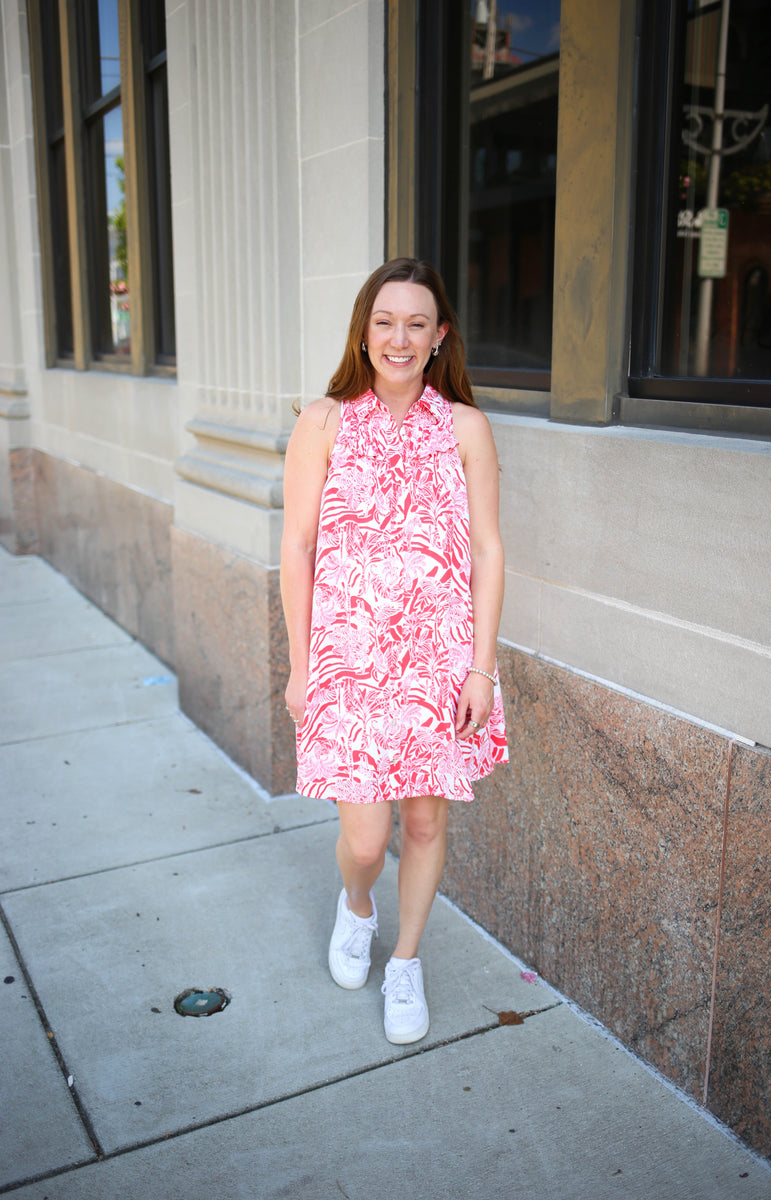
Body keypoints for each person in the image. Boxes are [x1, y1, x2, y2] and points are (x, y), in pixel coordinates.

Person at [280, 257, 508, 1045]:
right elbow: (298, 546)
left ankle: (405, 962)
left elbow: (486, 549)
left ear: (440, 335)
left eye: (417, 323)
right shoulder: (323, 422)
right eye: (385, 321)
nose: (400, 337)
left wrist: (481, 665)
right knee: (366, 838)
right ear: (364, 331)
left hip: (438, 660)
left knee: (421, 824)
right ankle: (357, 906)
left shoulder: (467, 428)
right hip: (346, 662)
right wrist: (300, 665)